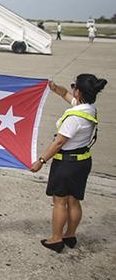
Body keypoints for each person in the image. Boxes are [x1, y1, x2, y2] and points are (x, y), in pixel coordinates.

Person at [30, 74, 108, 253]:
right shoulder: (88, 109)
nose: (71, 89)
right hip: (82, 162)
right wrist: (54, 87)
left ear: (78, 91)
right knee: (73, 200)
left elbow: (58, 143)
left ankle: (56, 239)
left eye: (74, 86)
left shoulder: (74, 119)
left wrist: (41, 161)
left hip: (66, 164)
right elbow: (65, 94)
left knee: (59, 201)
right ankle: (70, 235)